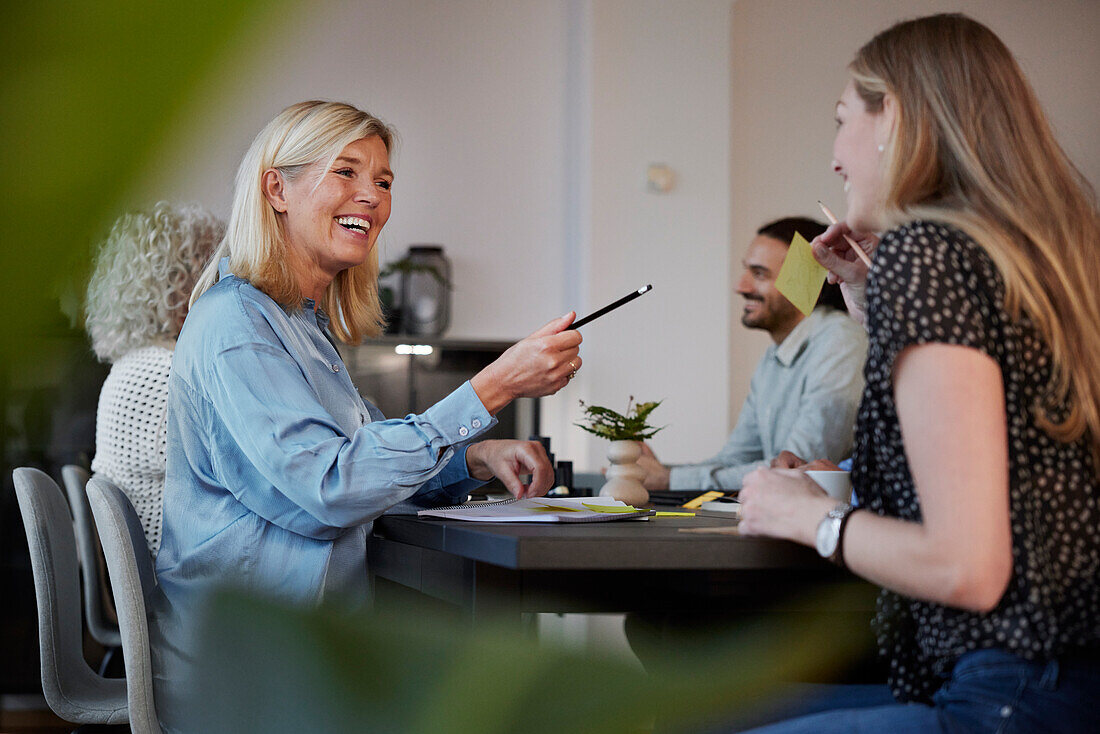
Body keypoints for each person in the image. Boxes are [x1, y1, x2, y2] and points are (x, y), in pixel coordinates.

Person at [150, 101, 582, 731]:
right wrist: (489, 390)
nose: (371, 197)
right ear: (277, 188)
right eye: (346, 173)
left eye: (383, 182)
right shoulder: (237, 324)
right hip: (257, 665)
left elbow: (362, 451)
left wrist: (473, 455)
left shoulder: (297, 321)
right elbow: (333, 485)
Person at [736, 14, 1100, 732]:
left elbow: (965, 565)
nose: (836, 157)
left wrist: (809, 517)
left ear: (893, 116)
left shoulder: (924, 251)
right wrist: (868, 296)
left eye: (843, 120)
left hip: (1007, 694)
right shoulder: (1039, 256)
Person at [637, 217, 867, 491]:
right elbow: (734, 459)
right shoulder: (773, 357)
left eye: (759, 274)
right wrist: (657, 473)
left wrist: (668, 480)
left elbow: (797, 468)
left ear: (807, 279)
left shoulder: (841, 341)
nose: (741, 286)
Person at [85, 202, 224, 556]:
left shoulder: (136, 365)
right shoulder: (162, 376)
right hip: (179, 591)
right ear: (178, 287)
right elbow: (241, 470)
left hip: (164, 577)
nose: (225, 288)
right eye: (214, 273)